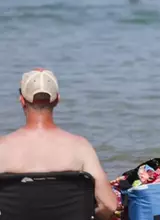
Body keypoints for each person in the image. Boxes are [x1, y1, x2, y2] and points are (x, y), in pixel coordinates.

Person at [0, 69, 118, 220]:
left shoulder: (2, 148)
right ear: (57, 100)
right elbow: (109, 205)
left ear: (22, 100)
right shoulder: (80, 147)